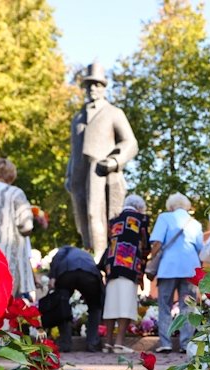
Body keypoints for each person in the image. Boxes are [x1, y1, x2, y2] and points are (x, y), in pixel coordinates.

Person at [66, 62, 139, 261]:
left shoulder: (113, 113)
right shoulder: (78, 118)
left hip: (99, 169)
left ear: (104, 87)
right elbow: (74, 150)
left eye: (97, 85)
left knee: (95, 213)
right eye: (89, 85)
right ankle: (89, 253)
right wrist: (69, 174)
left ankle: (101, 257)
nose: (93, 89)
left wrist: (115, 161)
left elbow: (131, 142)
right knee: (82, 217)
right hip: (79, 172)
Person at [148, 193, 203, 353]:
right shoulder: (195, 223)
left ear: (170, 206)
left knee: (164, 305)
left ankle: (166, 343)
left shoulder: (164, 217)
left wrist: (151, 259)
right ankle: (186, 344)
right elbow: (200, 249)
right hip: (190, 268)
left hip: (168, 267)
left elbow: (157, 243)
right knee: (187, 307)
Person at [0, 158, 36, 298]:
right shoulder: (15, 193)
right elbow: (26, 225)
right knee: (8, 301)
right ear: (12, 174)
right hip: (8, 258)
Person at [101, 194, 150, 353]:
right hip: (130, 266)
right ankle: (119, 343)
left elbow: (110, 242)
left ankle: (108, 343)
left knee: (111, 304)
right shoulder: (141, 219)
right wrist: (143, 269)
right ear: (140, 207)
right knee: (126, 304)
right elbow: (145, 245)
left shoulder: (113, 221)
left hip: (112, 267)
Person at [48, 246, 103, 353]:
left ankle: (65, 343)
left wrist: (52, 276)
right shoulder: (86, 255)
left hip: (67, 272)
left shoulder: (65, 249)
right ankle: (92, 342)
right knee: (95, 307)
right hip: (89, 273)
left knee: (62, 306)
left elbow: (58, 257)